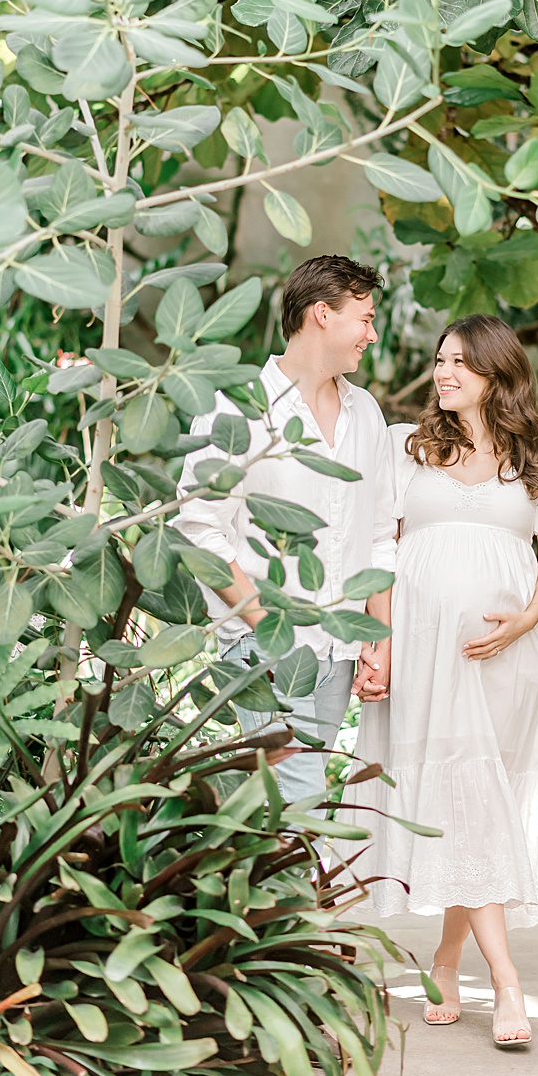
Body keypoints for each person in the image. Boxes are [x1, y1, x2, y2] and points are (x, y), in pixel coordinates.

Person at [348, 314, 538, 1050]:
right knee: (465, 799)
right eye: (438, 360)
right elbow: (379, 552)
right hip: (423, 657)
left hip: (503, 659)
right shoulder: (407, 446)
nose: (443, 372)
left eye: (459, 361)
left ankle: (450, 959)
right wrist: (381, 645)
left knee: (476, 801)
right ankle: (506, 979)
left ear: (496, 371)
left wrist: (521, 623)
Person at [174, 254, 396, 802]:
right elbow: (199, 528)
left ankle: (283, 890)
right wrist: (265, 629)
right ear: (322, 314)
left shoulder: (366, 412)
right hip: (263, 648)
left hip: (341, 650)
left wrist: (378, 641)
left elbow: (379, 532)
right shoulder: (237, 406)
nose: (372, 334)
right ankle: (303, 892)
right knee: (298, 809)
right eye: (364, 318)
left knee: (291, 808)